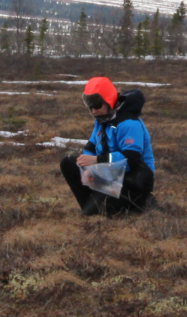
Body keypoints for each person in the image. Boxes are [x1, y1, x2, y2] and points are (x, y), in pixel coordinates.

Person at [59, 77, 155, 216]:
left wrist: (97, 162)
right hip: (110, 178)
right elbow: (91, 147)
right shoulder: (102, 120)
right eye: (91, 107)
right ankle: (92, 207)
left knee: (91, 214)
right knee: (68, 163)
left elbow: (130, 160)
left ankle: (141, 203)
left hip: (132, 184)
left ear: (109, 101)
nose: (93, 111)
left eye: (97, 106)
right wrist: (88, 169)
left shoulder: (129, 123)